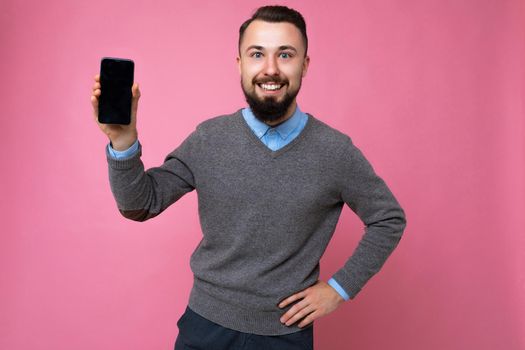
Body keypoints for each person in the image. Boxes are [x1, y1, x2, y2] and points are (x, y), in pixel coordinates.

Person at [91, 5, 406, 350]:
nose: (270, 69)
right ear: (240, 64)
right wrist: (122, 142)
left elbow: (387, 218)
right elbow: (141, 204)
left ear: (305, 64)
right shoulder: (209, 138)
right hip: (204, 330)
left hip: (285, 335)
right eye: (257, 54)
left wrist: (340, 288)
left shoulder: (335, 151)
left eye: (285, 54)